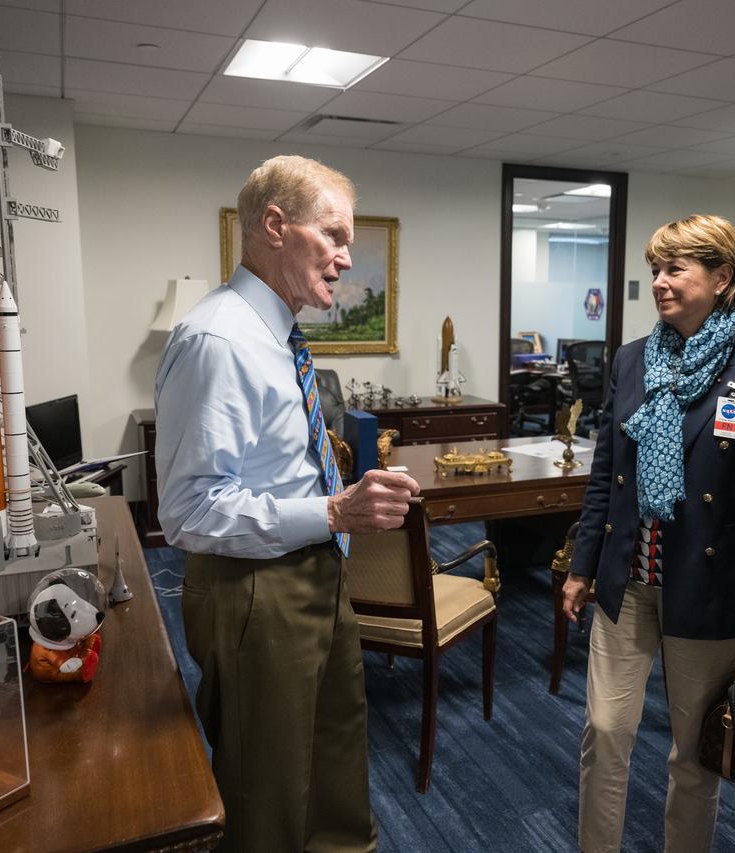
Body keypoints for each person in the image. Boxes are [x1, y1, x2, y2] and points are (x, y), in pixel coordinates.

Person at [154, 155, 420, 853]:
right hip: (254, 590)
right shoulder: (218, 339)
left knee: (333, 765)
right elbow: (187, 512)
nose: (344, 256)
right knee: (266, 795)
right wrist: (332, 512)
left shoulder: (278, 338)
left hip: (313, 574)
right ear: (275, 225)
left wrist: (334, 510)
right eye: (331, 235)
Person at [562, 214, 735, 853]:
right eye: (656, 270)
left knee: (693, 752)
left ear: (723, 278)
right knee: (605, 730)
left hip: (713, 584)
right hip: (627, 578)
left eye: (675, 269)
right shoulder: (632, 360)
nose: (660, 283)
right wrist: (582, 565)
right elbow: (607, 469)